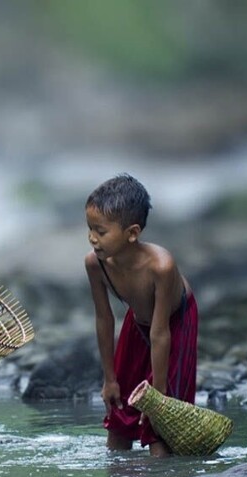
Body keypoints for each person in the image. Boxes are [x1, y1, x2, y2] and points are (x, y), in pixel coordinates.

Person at [84, 174, 198, 457]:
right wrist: (109, 378)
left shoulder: (160, 266)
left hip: (174, 322)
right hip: (137, 322)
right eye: (89, 229)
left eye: (101, 231)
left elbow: (161, 333)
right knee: (119, 414)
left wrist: (157, 399)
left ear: (132, 233)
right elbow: (104, 319)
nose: (92, 238)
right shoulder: (95, 264)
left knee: (160, 427)